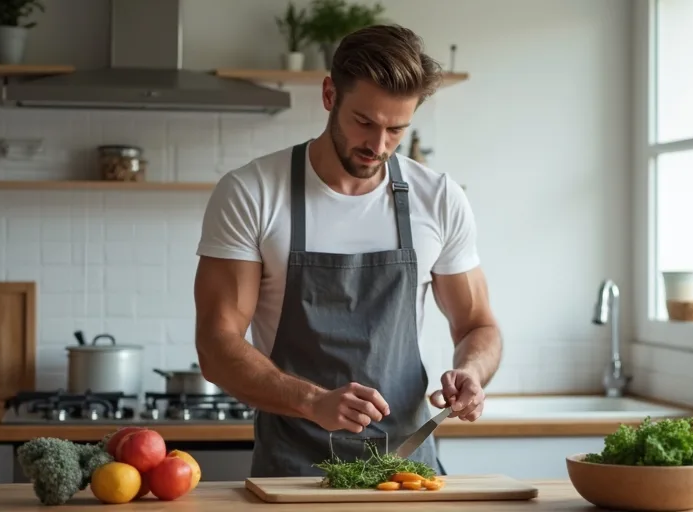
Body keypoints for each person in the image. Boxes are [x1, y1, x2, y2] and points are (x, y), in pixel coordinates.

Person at [193, 24, 503, 478]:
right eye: (364, 122)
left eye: (396, 129)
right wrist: (313, 401)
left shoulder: (438, 198)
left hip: (406, 473)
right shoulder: (252, 193)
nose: (378, 146)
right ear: (328, 94)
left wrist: (472, 372)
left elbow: (478, 325)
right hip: (293, 472)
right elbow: (216, 345)